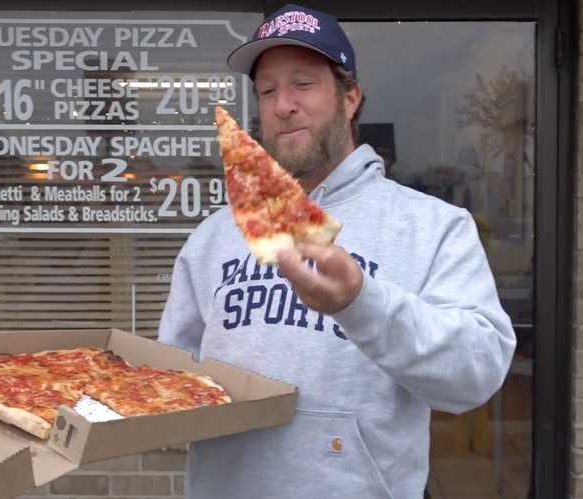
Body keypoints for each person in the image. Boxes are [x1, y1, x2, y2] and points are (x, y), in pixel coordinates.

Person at [158, 4, 516, 498]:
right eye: (267, 90)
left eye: (303, 84)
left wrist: (361, 303)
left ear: (350, 98)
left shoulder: (431, 227)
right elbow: (173, 375)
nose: (283, 104)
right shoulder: (214, 236)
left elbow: (476, 376)